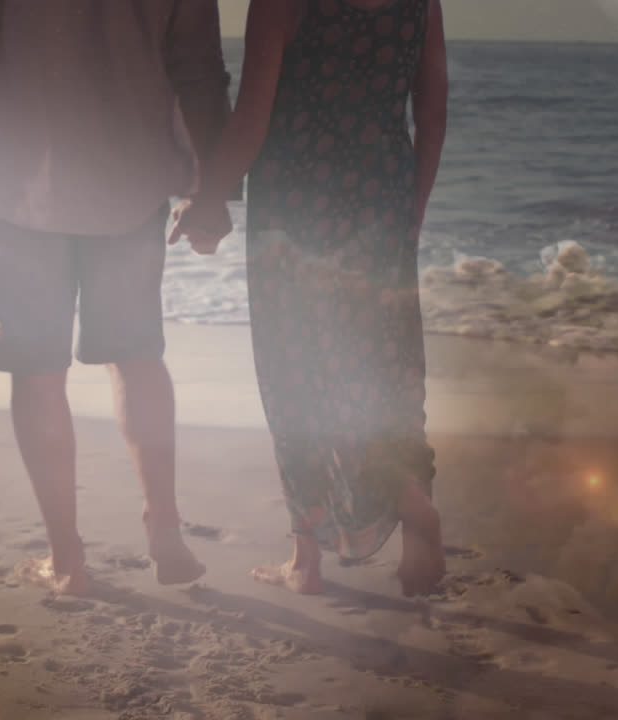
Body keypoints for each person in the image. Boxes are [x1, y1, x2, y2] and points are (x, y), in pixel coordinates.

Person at [0, 1, 235, 596]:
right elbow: (198, 67)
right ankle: (164, 530)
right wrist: (212, 190)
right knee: (137, 356)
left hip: (18, 182)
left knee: (39, 373)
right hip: (130, 180)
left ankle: (67, 559)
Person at [168, 0, 449, 596]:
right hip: (385, 194)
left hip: (298, 206)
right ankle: (413, 500)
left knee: (297, 376)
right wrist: (412, 206)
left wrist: (208, 195)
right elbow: (433, 111)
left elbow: (252, 119)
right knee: (384, 368)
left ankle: (307, 560)